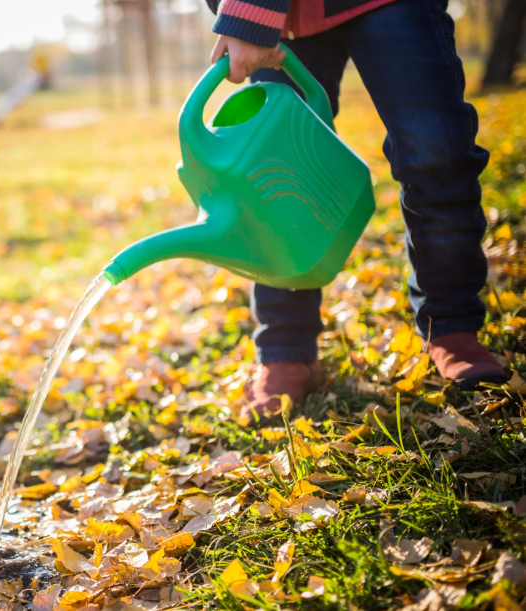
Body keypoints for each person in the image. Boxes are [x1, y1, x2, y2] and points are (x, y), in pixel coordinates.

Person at [203, 0, 510, 419]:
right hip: (287, 18)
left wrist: (248, 13)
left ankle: (452, 327)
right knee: (275, 174)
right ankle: (286, 347)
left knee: (436, 152)